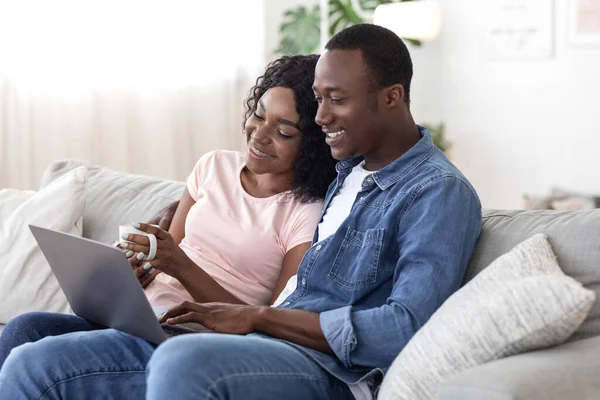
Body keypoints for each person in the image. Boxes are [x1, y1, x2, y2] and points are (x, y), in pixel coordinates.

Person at [0, 24, 482, 400]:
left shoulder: (437, 193)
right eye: (318, 100)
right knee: (29, 341)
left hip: (327, 369)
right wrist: (168, 226)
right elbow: (253, 194)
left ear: (393, 97)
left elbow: (406, 326)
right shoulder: (346, 171)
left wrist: (258, 317)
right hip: (262, 345)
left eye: (336, 100)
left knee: (177, 360)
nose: (320, 118)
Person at [0, 54, 336, 358]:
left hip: (189, 338)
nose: (259, 135)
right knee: (24, 328)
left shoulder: (304, 212)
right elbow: (164, 258)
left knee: (40, 357)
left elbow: (272, 321)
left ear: (311, 145)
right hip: (138, 317)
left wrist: (179, 265)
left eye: (283, 132)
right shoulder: (213, 166)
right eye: (259, 116)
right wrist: (133, 272)